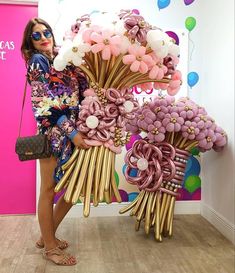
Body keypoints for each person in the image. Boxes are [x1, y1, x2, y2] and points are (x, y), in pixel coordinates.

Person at [21, 17, 90, 266]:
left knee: (73, 188)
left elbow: (82, 91)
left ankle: (45, 236)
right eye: (36, 35)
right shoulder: (37, 62)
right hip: (53, 133)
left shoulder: (64, 59)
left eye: (45, 32)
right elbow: (44, 105)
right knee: (48, 190)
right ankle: (50, 248)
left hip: (74, 130)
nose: (42, 37)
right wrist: (72, 133)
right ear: (30, 42)